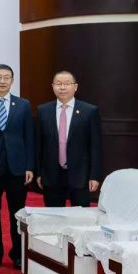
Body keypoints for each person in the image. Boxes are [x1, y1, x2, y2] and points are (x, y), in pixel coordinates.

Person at [0, 64, 34, 270]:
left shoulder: (23, 105)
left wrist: (30, 166)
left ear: (12, 81)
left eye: (7, 77)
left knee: (17, 212)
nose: (2, 81)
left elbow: (29, 137)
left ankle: (18, 254)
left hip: (17, 167)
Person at [35, 71, 103, 207]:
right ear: (53, 86)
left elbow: (95, 146)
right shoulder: (43, 110)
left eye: (67, 84)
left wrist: (94, 176)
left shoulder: (89, 111)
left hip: (80, 175)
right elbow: (38, 145)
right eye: (58, 84)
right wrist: (39, 173)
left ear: (75, 87)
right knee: (54, 215)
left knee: (81, 216)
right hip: (51, 174)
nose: (62, 87)